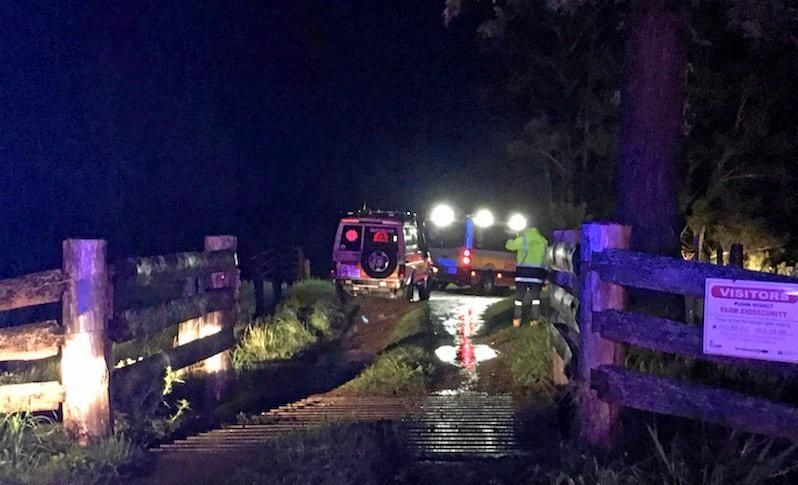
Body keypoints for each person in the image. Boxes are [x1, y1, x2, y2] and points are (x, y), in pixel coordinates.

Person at [506, 225, 548, 327]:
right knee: (536, 299)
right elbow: (545, 260)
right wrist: (545, 277)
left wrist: (512, 237)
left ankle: (517, 320)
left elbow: (509, 246)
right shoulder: (543, 241)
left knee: (519, 299)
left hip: (522, 274)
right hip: (537, 274)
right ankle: (534, 321)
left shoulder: (522, 239)